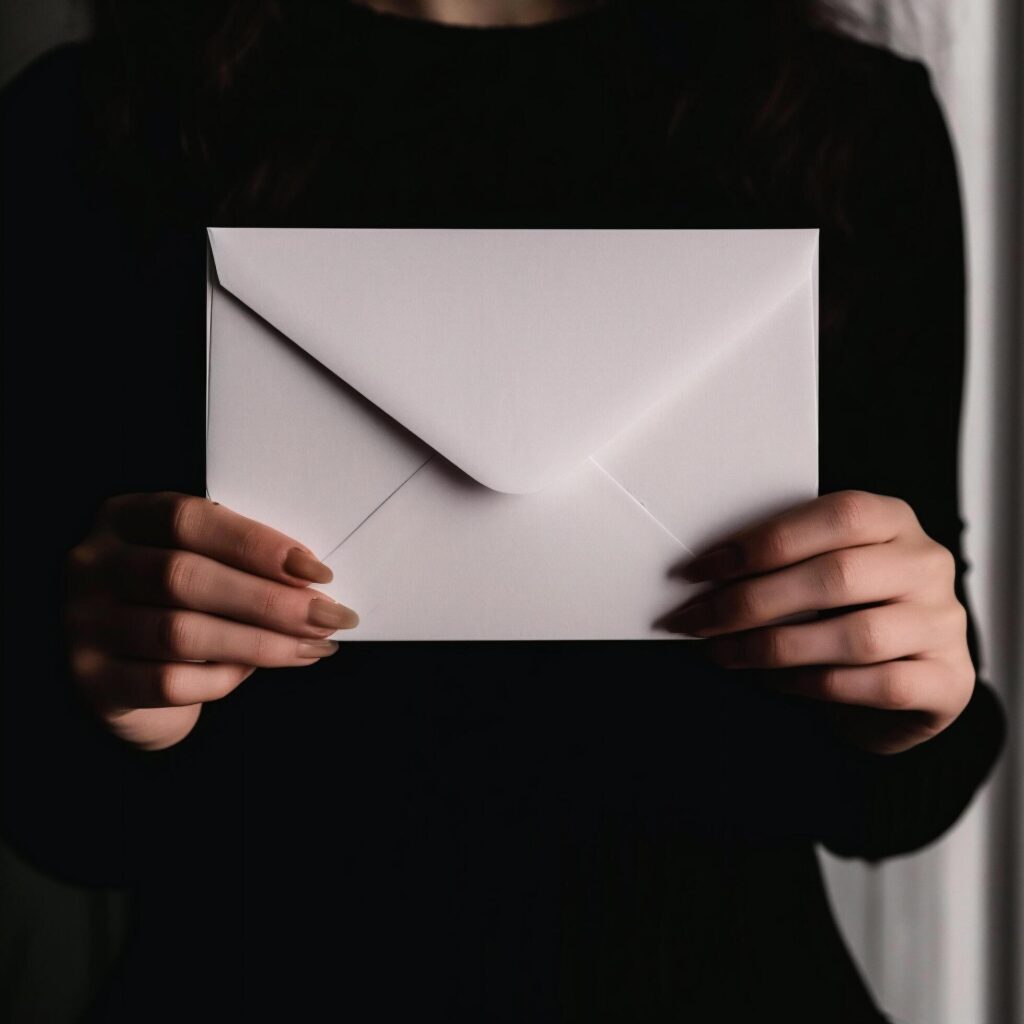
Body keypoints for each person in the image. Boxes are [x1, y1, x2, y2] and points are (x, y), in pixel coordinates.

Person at [0, 0, 1008, 1020]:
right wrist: (111, 704)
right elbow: (60, 821)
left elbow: (897, 798)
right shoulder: (90, 123)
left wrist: (911, 696)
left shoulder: (838, 119)